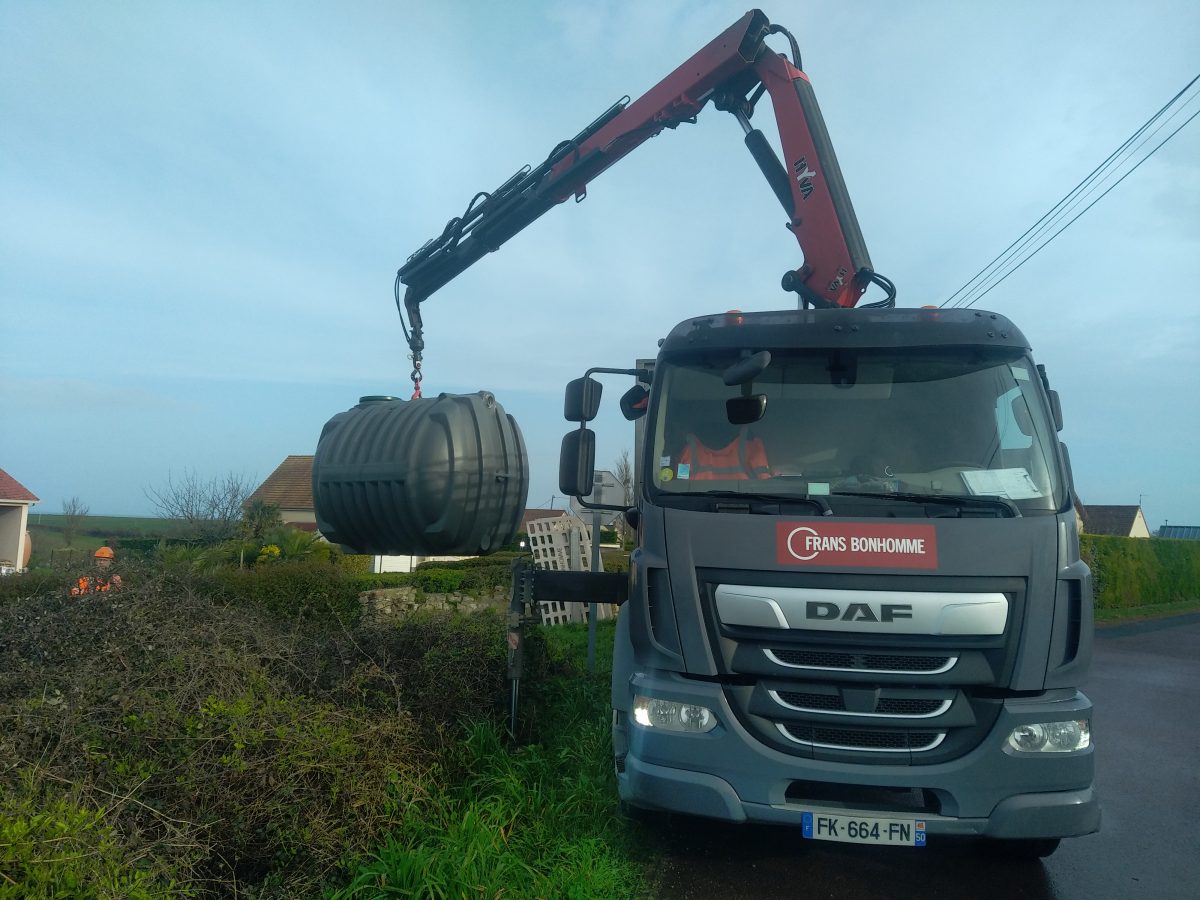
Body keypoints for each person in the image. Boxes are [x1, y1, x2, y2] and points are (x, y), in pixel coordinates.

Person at [674, 426, 771, 481]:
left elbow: (680, 485)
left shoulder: (689, 450)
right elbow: (765, 483)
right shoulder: (750, 446)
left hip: (697, 508)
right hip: (746, 507)